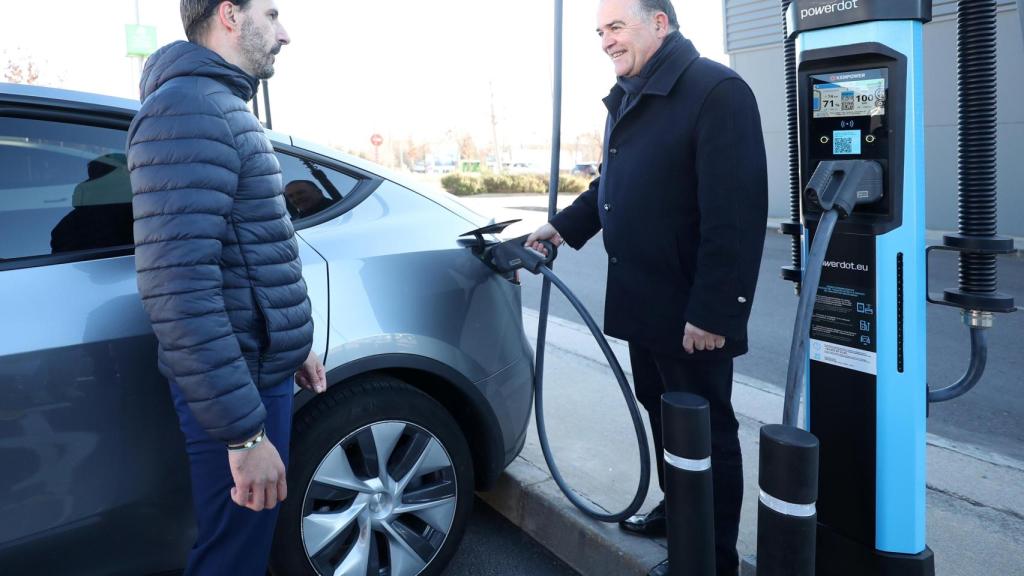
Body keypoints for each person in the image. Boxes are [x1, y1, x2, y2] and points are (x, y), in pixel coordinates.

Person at [527, 1, 768, 574]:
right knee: (663, 416)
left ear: (660, 23)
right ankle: (679, 508)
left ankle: (711, 555)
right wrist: (561, 228)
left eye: (616, 27)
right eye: (600, 32)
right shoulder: (632, 95)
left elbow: (735, 217)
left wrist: (715, 312)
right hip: (643, 301)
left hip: (692, 312)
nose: (606, 41)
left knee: (706, 427)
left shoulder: (715, 91)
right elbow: (613, 188)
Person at [127, 2, 326, 574]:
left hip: (256, 371)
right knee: (232, 559)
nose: (284, 33)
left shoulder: (217, 107)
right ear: (230, 16)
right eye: (270, 12)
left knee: (245, 547)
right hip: (235, 393)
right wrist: (242, 437)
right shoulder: (187, 111)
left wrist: (291, 343)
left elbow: (245, 254)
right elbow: (180, 289)